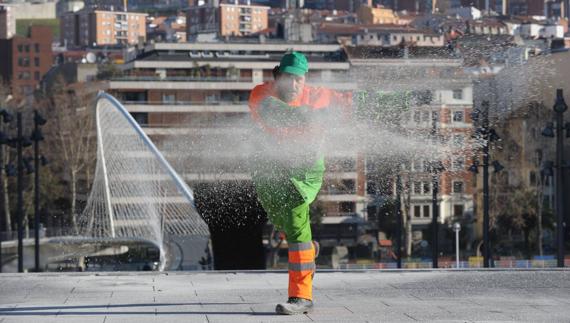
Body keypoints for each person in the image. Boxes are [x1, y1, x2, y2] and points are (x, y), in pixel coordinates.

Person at [248, 51, 352, 315]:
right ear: (277, 77)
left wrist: (400, 99)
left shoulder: (319, 95)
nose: (294, 85)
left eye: (299, 79)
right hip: (269, 168)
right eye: (288, 78)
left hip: (305, 168)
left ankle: (301, 296)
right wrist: (319, 117)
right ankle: (306, 250)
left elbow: (353, 102)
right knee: (282, 219)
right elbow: (280, 115)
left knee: (295, 223)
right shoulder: (262, 95)